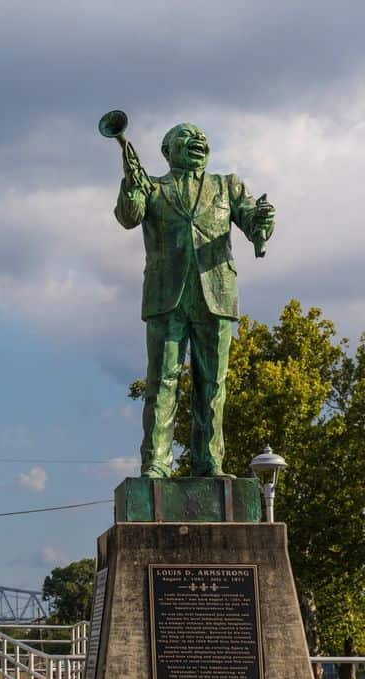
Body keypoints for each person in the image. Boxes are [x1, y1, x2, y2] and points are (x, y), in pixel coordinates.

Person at [114, 122, 275, 478]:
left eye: (201, 137)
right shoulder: (153, 187)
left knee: (213, 384)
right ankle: (156, 463)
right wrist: (131, 183)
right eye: (186, 138)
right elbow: (129, 217)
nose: (198, 140)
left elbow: (252, 221)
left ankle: (209, 462)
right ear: (168, 151)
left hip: (215, 293)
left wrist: (263, 221)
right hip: (166, 295)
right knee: (161, 382)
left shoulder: (227, 185)